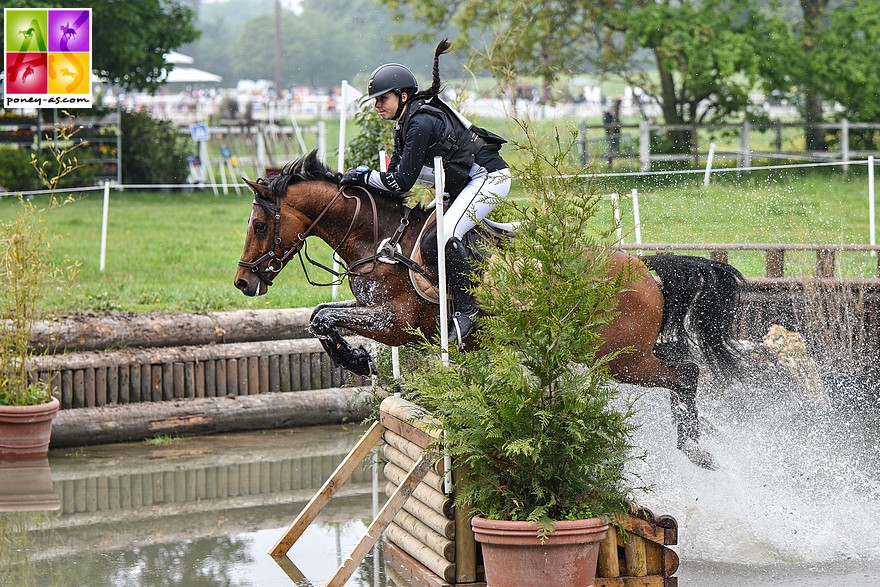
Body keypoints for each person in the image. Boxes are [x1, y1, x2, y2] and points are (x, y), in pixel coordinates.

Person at [341, 39, 511, 346]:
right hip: (460, 183)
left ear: (403, 96)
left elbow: (402, 181)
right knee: (431, 240)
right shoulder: (404, 123)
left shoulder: (420, 122)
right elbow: (395, 176)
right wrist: (372, 178)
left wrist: (366, 175)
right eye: (376, 100)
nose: (378, 105)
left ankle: (468, 311)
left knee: (446, 237)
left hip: (488, 179)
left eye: (383, 98)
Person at [603, 98, 621, 168]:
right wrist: (612, 125)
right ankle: (609, 163)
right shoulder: (607, 115)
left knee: (616, 148)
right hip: (610, 135)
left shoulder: (616, 115)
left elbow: (618, 124)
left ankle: (617, 161)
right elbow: (606, 124)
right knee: (610, 149)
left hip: (616, 134)